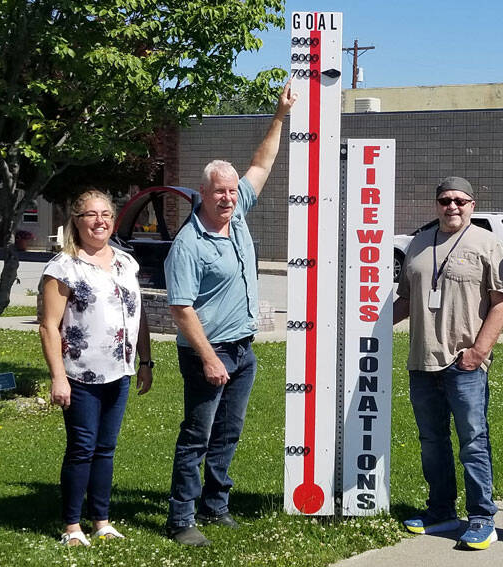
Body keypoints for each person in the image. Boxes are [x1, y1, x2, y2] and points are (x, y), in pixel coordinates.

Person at [163, 83, 296, 547]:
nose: (227, 198)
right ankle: (181, 519)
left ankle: (215, 507)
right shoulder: (189, 244)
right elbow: (180, 310)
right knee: (196, 436)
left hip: (242, 349)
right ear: (202, 193)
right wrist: (209, 358)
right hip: (209, 352)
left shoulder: (238, 214)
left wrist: (279, 117)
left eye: (232, 191)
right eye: (219, 191)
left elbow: (262, 164)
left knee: (228, 434)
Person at [393, 176, 503, 550]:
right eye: (445, 200)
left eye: (460, 200)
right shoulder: (417, 243)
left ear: (472, 204)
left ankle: (481, 517)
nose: (452, 207)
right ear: (437, 204)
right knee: (432, 442)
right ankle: (441, 511)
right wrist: (364, 326)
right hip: (421, 362)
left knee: (473, 442)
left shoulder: (488, 244)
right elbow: (406, 299)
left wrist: (479, 352)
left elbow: (501, 302)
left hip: (464, 366)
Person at [40, 189, 153, 546]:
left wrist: (145, 361)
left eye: (105, 214)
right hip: (80, 375)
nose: (99, 221)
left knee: (106, 448)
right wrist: (58, 377)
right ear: (76, 220)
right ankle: (71, 526)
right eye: (91, 215)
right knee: (82, 448)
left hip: (119, 371)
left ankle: (101, 521)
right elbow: (48, 325)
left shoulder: (125, 262)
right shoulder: (63, 267)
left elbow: (139, 315)